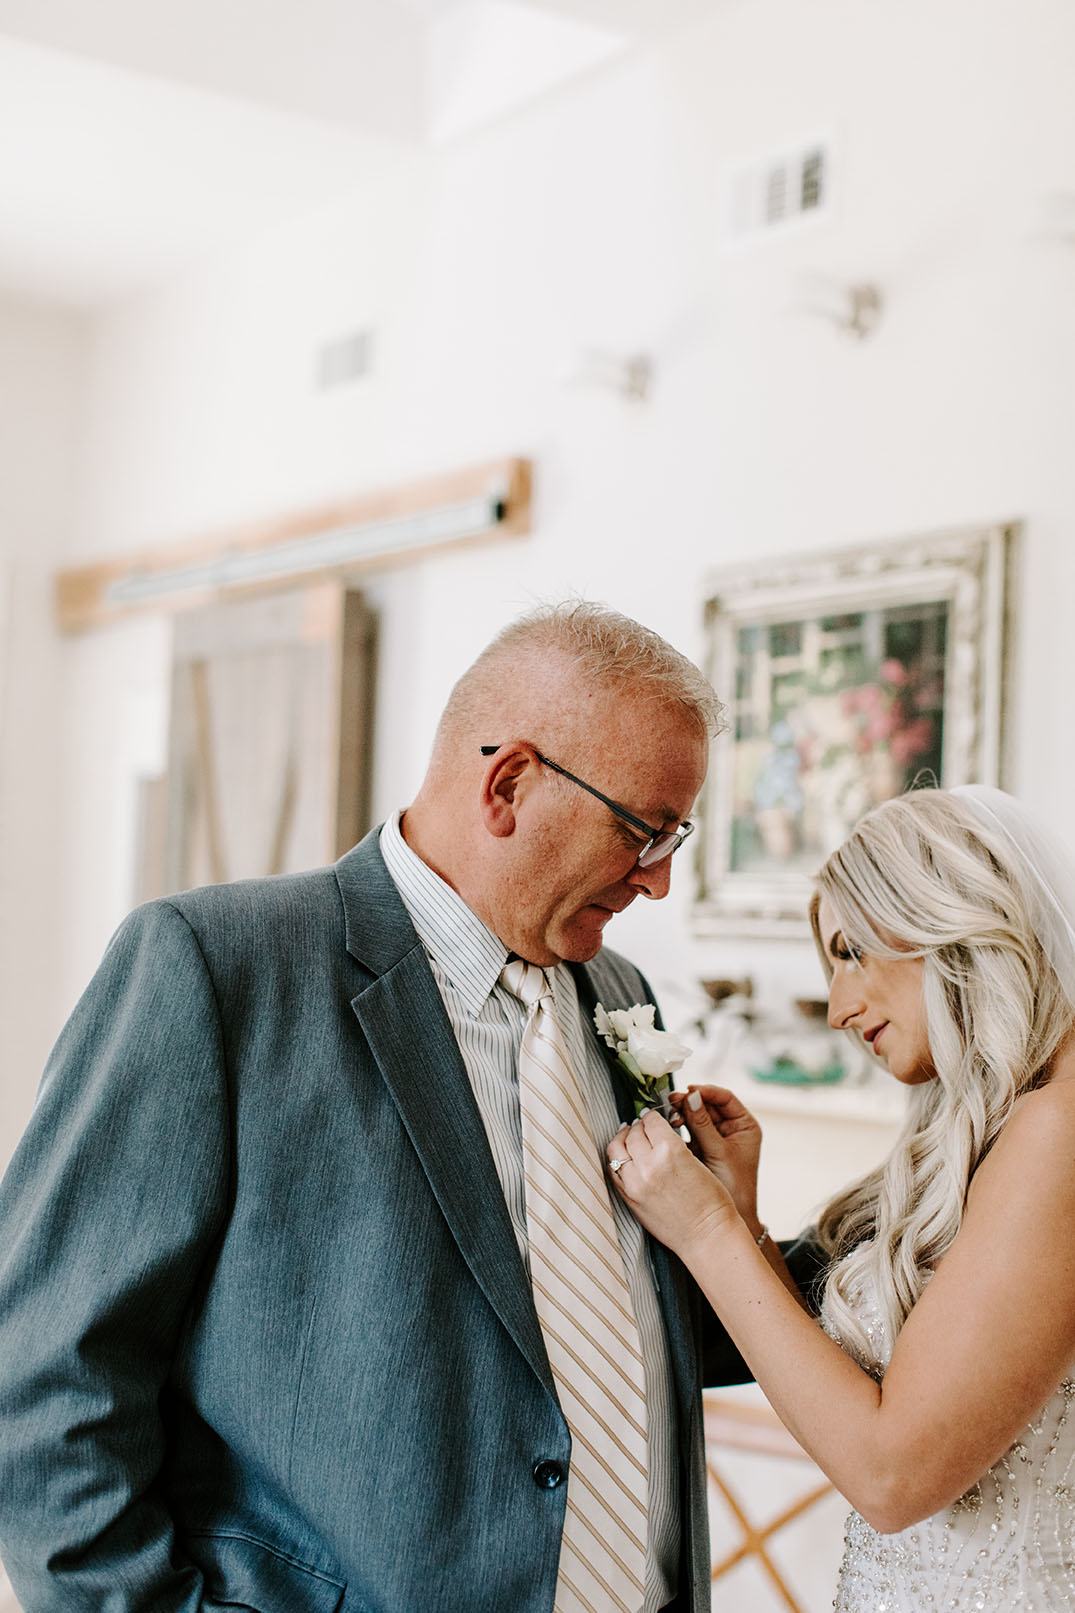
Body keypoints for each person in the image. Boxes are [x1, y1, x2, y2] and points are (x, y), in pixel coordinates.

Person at [0, 600, 819, 1613]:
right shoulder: (218, 969)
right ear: (508, 782)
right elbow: (46, 1374)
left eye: (676, 834)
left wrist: (865, 1228)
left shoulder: (620, 1000)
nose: (657, 879)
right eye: (642, 830)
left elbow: (603, 1332)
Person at [606, 784, 1075, 1611]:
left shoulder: (1058, 1129)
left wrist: (708, 1230)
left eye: (851, 952)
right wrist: (743, 1220)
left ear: (947, 915)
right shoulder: (1009, 1121)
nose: (837, 1008)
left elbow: (891, 1476)